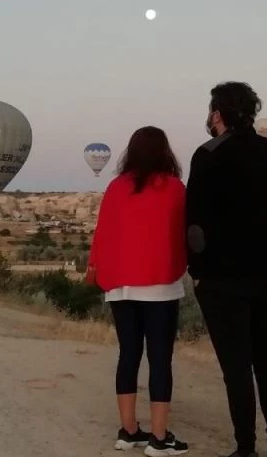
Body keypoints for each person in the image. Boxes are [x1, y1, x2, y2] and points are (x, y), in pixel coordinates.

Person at [186, 82, 267, 457]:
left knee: (237, 367)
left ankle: (245, 448)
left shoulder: (208, 154)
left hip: (221, 279)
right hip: (265, 276)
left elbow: (195, 223)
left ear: (217, 114)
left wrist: (197, 270)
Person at [89, 126, 189, 457]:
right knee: (160, 359)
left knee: (128, 355)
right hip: (160, 284)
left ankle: (129, 431)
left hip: (120, 285)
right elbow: (182, 234)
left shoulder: (116, 187)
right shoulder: (174, 188)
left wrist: (98, 268)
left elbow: (103, 232)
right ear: (165, 151)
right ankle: (159, 438)